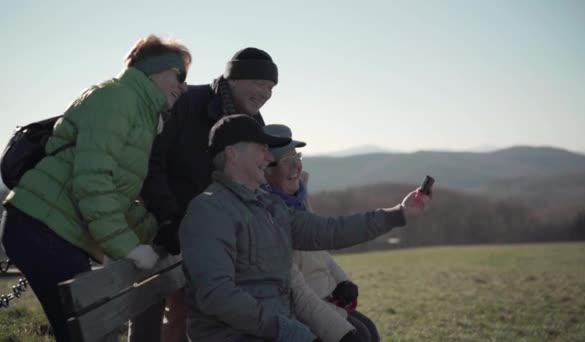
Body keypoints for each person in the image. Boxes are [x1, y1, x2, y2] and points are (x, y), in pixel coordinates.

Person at [1, 34, 191, 342]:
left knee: (88, 334)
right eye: (179, 75)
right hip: (42, 227)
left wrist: (156, 229)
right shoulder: (118, 98)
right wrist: (128, 247)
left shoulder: (140, 112)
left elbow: (115, 194)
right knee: (89, 335)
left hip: (54, 229)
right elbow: (93, 182)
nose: (184, 86)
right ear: (153, 70)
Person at [179, 114, 429, 341]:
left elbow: (329, 231)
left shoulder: (268, 207)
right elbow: (217, 295)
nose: (268, 158)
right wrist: (285, 330)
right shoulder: (209, 212)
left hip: (277, 328)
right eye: (262, 149)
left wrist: (399, 214)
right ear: (233, 153)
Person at [137, 47, 278, 342]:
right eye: (260, 84)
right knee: (170, 313)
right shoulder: (189, 103)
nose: (266, 93)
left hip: (217, 235)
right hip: (164, 228)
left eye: (271, 87)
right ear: (235, 79)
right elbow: (152, 160)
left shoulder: (254, 124)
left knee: (194, 312)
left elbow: (254, 180)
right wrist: (169, 217)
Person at [264, 124, 380, 342]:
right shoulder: (267, 213)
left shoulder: (299, 199)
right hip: (305, 308)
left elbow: (320, 250)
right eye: (287, 160)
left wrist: (343, 281)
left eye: (297, 156)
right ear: (266, 168)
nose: (296, 166)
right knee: (360, 334)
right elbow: (293, 290)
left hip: (327, 299)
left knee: (368, 329)